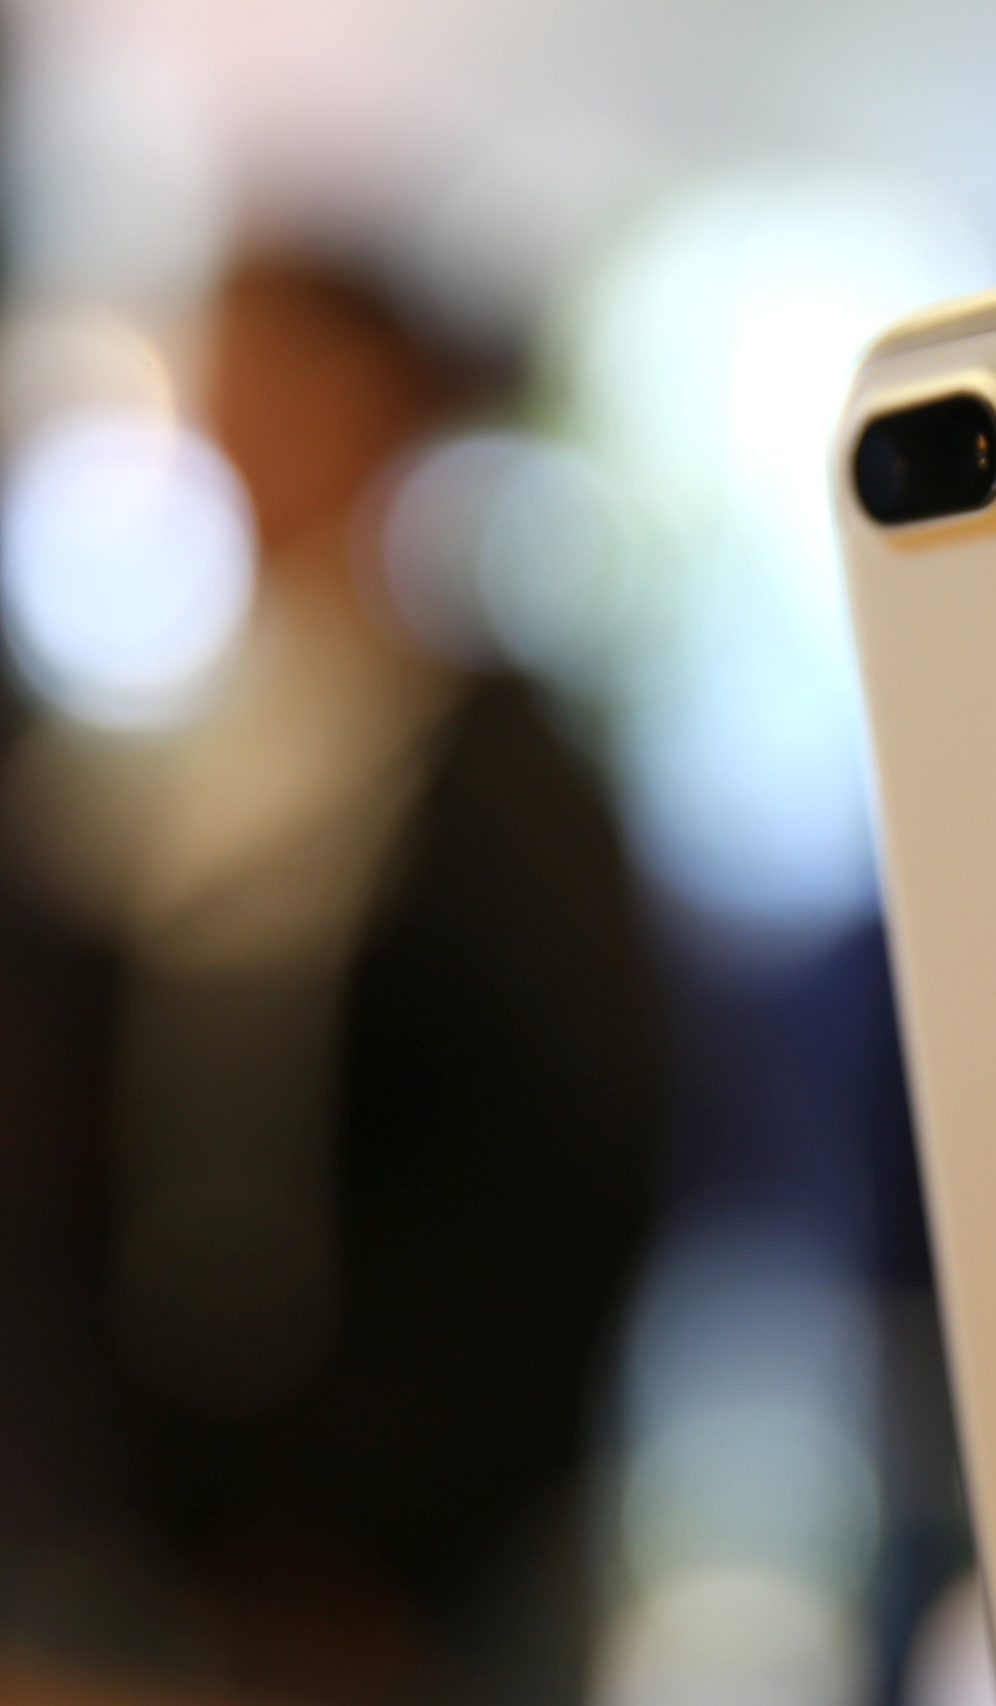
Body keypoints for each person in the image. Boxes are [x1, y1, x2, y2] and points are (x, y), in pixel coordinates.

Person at [0, 252, 667, 1702]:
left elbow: (576, 1169)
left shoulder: (505, 781)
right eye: (217, 382)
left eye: (278, 379)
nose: (237, 424)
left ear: (383, 405)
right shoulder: (152, 766)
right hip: (145, 1545)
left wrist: (381, 1521)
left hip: (430, 1570)